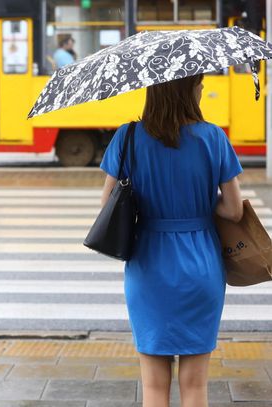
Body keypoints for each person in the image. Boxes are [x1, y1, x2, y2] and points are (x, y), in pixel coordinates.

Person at [99, 74, 243, 407]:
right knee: (195, 385)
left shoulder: (128, 136)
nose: (203, 87)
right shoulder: (213, 137)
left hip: (149, 264)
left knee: (152, 386)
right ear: (187, 90)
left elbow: (107, 205)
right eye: (199, 82)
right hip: (201, 265)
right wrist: (203, 206)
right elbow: (234, 210)